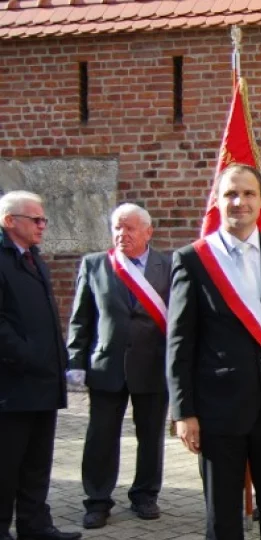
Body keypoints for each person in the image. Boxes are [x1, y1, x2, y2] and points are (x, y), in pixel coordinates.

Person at [166, 164, 261, 539]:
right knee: (222, 518)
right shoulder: (193, 259)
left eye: (249, 193)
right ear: (217, 202)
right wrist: (183, 411)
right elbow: (179, 341)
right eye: (231, 194)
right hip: (217, 410)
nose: (240, 202)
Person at [66, 204, 172, 530]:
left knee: (151, 436)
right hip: (106, 365)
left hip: (153, 365)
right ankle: (97, 501)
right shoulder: (96, 264)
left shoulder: (167, 265)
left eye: (129, 228)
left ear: (148, 232)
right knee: (100, 437)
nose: (121, 234)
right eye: (117, 228)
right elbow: (81, 318)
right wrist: (75, 360)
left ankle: (145, 495)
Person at [0, 191, 82, 540]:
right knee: (6, 463)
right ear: (9, 221)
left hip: (44, 381)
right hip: (13, 384)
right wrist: (28, 354)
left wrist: (57, 355)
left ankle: (35, 524)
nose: (42, 226)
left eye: (43, 219)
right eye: (35, 219)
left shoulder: (34, 258)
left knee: (37, 460)